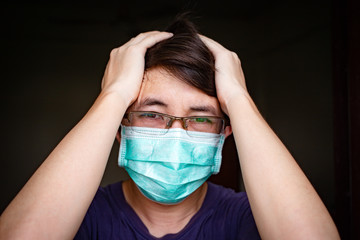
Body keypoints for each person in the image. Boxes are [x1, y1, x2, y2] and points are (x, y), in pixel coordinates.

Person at [0, 16, 339, 239]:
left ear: (225, 134)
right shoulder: (81, 218)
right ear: (119, 128)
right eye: (152, 114)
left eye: (202, 118)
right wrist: (114, 93)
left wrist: (238, 97)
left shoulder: (248, 219)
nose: (176, 135)